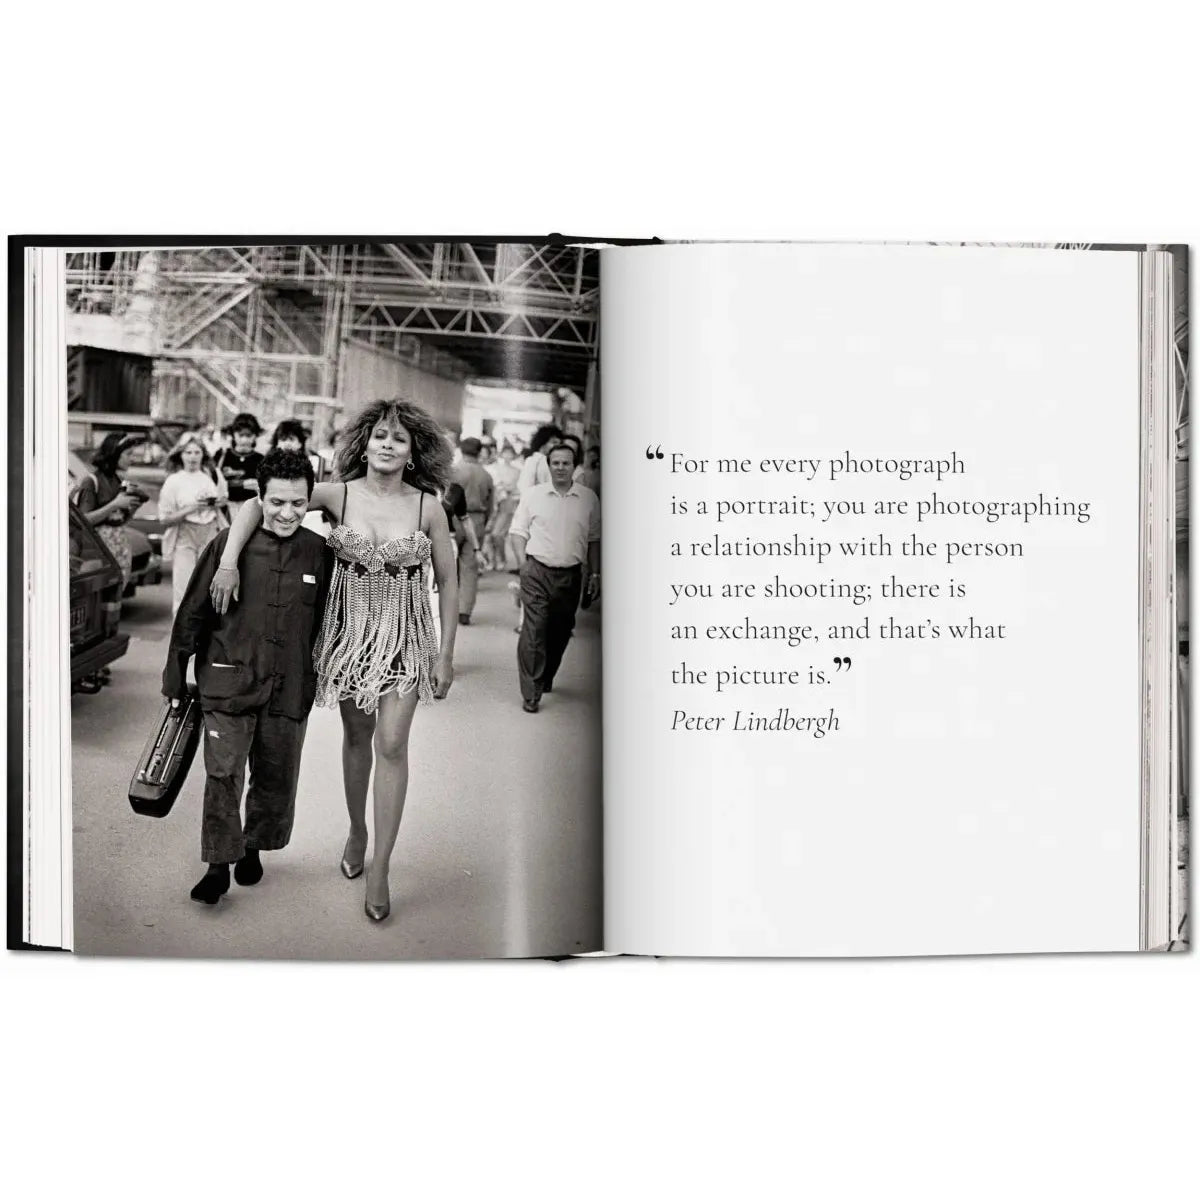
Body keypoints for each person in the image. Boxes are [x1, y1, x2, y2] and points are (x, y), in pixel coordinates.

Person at [210, 398, 458, 923]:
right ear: (363, 445)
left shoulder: (428, 508)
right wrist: (228, 561)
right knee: (357, 739)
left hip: (406, 638)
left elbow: (449, 580)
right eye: (380, 436)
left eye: (399, 438)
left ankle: (381, 867)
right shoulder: (337, 494)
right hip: (349, 640)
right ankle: (358, 830)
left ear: (413, 451)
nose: (388, 445)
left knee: (393, 744)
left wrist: (446, 654)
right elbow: (257, 503)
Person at [162, 450, 332, 905]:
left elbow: (328, 622)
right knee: (223, 772)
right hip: (228, 680)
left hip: (288, 684)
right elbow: (192, 611)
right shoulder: (227, 548)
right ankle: (217, 866)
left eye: (298, 503)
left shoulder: (318, 553)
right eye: (276, 502)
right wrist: (175, 675)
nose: (287, 513)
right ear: (259, 498)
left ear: (310, 501)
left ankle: (253, 847)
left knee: (275, 774)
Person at [509, 442, 600, 713]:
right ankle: (531, 692)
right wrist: (523, 565)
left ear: (575, 466)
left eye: (566, 463)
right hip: (537, 571)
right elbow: (518, 532)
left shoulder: (588, 499)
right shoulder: (533, 495)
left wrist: (595, 573)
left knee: (560, 631)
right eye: (556, 463)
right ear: (548, 466)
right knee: (533, 629)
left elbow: (594, 539)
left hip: (570, 575)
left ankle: (546, 675)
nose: (560, 467)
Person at [157, 433, 228, 615]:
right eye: (188, 452)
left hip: (209, 532)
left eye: (197, 452)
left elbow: (223, 499)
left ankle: (204, 632)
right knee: (183, 589)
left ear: (203, 454)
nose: (193, 457)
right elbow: (164, 519)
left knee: (207, 590)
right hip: (185, 534)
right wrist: (193, 507)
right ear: (180, 455)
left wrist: (217, 503)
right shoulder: (174, 481)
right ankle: (180, 630)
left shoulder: (210, 476)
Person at [72, 432, 145, 592]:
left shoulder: (118, 481)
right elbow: (84, 520)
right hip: (98, 552)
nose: (132, 459)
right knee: (101, 598)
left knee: (115, 600)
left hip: (119, 550)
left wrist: (133, 507)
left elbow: (119, 521)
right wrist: (115, 504)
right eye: (128, 454)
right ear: (114, 453)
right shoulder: (92, 481)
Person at [452, 436, 494, 624]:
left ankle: (448, 606)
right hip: (476, 519)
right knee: (470, 567)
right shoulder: (486, 475)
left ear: (461, 450)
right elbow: (491, 504)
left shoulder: (453, 471)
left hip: (453, 518)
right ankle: (465, 611)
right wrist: (484, 522)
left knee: (448, 564)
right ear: (479, 452)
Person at [214, 413, 264, 520]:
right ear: (233, 434)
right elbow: (212, 481)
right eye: (241, 435)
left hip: (252, 510)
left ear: (255, 436)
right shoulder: (222, 455)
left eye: (248, 435)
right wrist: (243, 483)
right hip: (224, 510)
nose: (244, 440)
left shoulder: (261, 459)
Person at [485, 442, 520, 571]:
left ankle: (502, 559)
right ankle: (492, 560)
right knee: (489, 534)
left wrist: (507, 489)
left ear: (514, 455)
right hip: (495, 502)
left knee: (497, 534)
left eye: (510, 453)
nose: (507, 456)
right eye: (505, 453)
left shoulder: (517, 471)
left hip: (508, 504)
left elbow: (517, 488)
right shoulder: (495, 468)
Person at [516, 422, 562, 494]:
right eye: (554, 442)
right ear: (543, 442)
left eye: (559, 443)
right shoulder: (533, 461)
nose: (558, 446)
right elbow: (525, 487)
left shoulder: (552, 461)